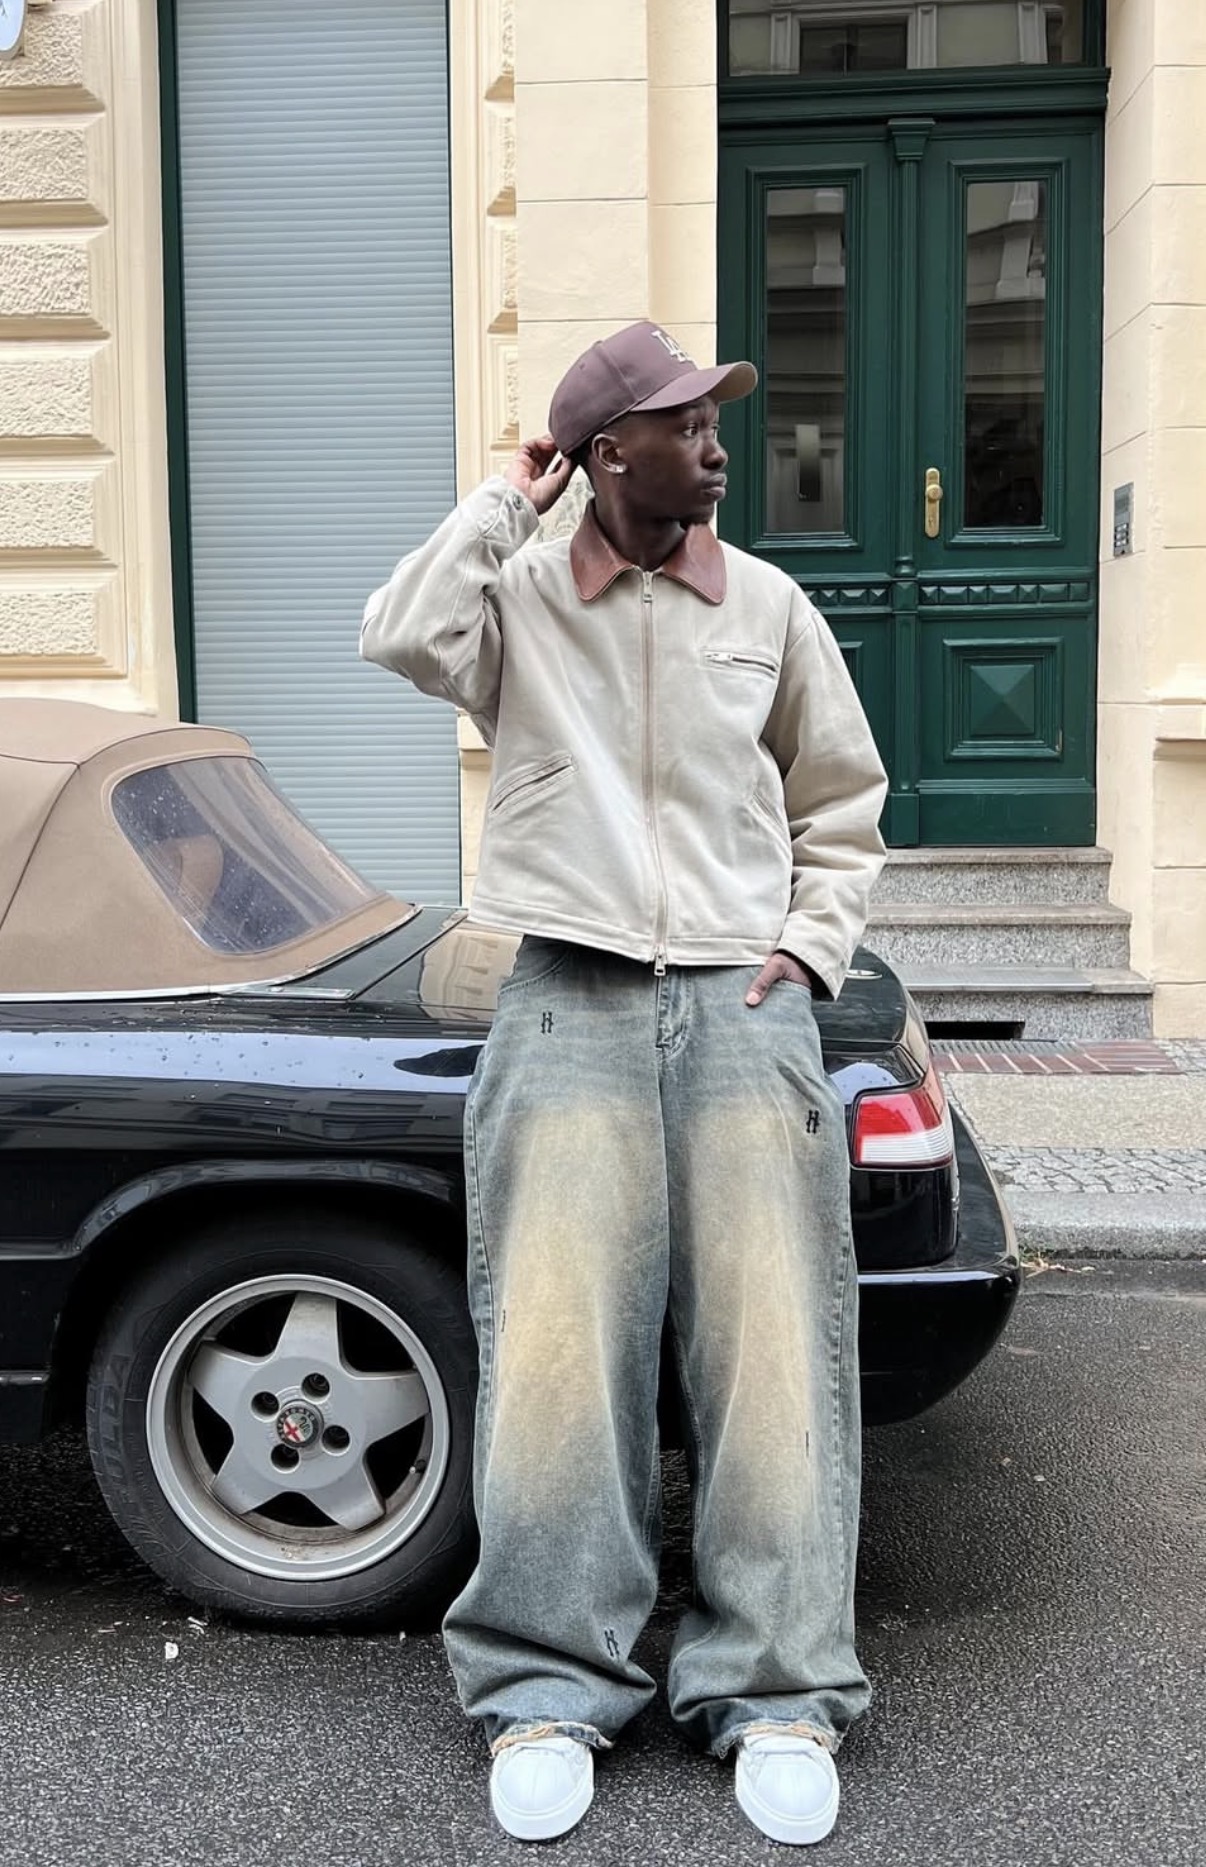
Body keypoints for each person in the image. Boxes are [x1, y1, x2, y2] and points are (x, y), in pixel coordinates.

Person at [360, 321, 888, 1846]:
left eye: (714, 422)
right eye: (681, 422)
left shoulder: (768, 607)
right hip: (567, 999)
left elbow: (842, 804)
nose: (717, 443)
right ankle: (543, 1687)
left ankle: (776, 1687)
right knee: (552, 1359)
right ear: (605, 456)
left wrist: (808, 948)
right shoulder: (514, 600)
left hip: (741, 1007)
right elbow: (398, 635)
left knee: (776, 1352)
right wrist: (499, 501)